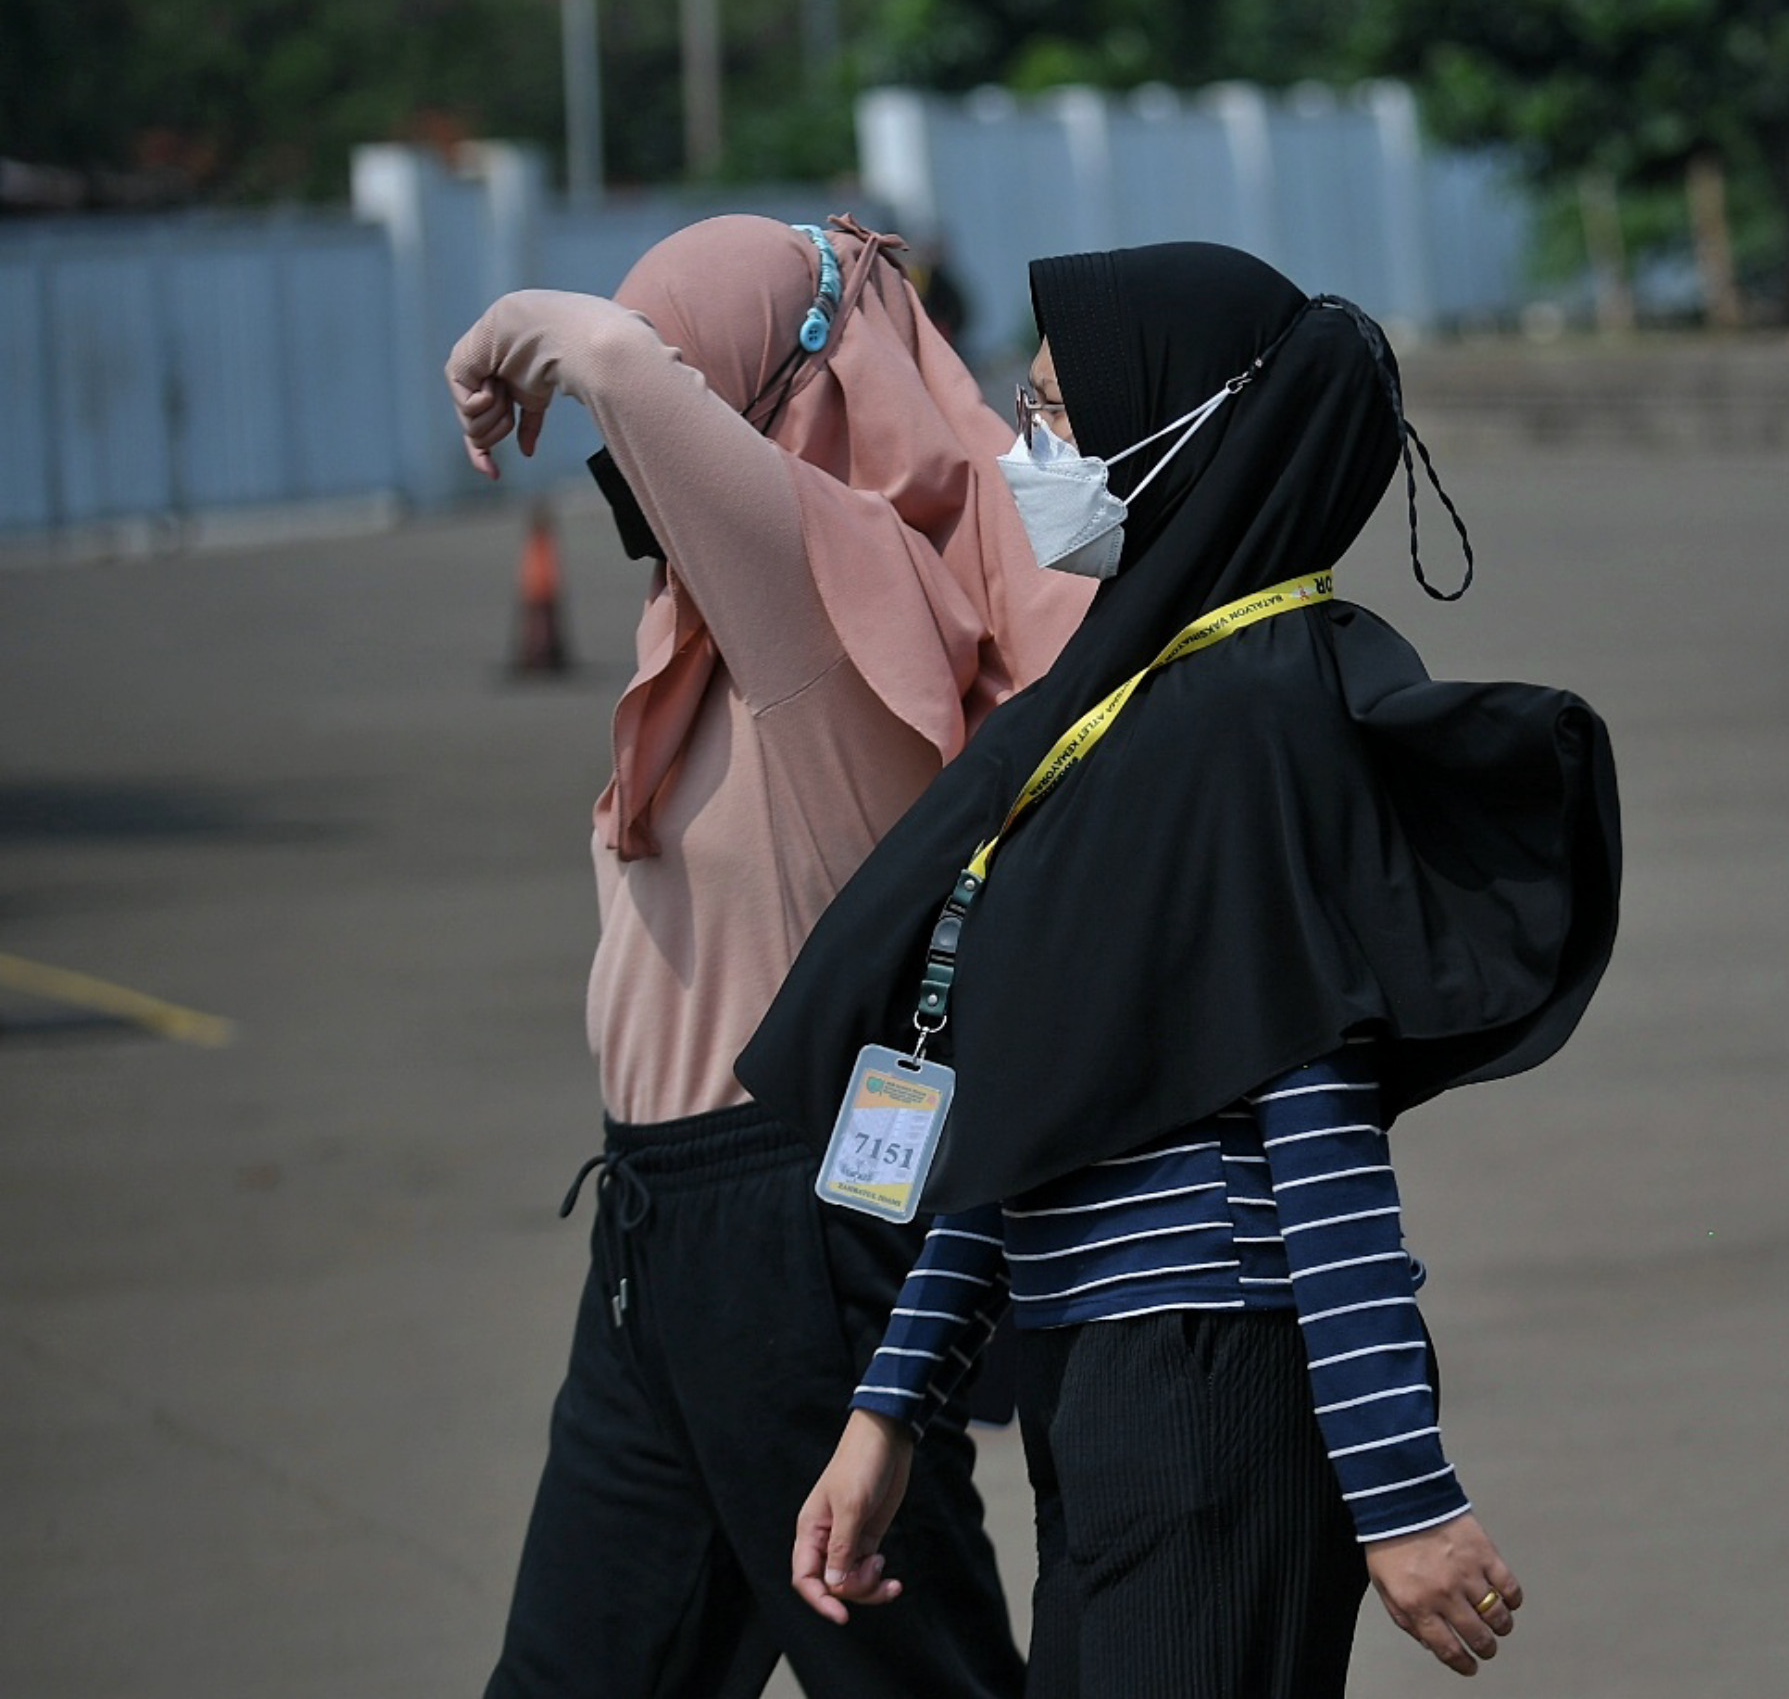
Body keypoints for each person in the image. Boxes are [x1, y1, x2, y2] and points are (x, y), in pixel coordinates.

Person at [733, 243, 1624, 1693]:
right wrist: (889, 1412)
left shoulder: (1254, 725)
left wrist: (1404, 1495)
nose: (1033, 452)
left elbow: (1319, 1142)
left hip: (1210, 1385)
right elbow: (1021, 1106)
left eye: (1061, 414)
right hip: (1106, 1386)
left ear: (1189, 425)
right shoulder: (1128, 710)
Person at [445, 215, 1089, 1697]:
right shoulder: (711, 628)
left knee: (913, 1675)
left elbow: (610, 357)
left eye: (666, 416)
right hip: (659, 1227)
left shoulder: (835, 598)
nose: (633, 475)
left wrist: (537, 350)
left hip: (789, 1227)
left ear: (786, 395)